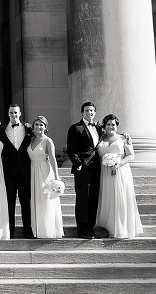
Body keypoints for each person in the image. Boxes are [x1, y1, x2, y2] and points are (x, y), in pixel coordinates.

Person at [96, 114, 143, 238]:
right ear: (104, 126)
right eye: (108, 124)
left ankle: (120, 227)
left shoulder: (124, 138)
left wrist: (118, 164)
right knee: (108, 197)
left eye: (113, 124)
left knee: (119, 197)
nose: (111, 126)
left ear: (117, 126)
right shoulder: (99, 138)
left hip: (120, 171)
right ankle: (106, 224)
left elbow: (130, 155)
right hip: (104, 172)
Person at [66, 101, 103, 239]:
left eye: (92, 111)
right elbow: (71, 149)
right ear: (82, 113)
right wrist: (78, 164)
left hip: (96, 169)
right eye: (87, 111)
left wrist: (125, 135)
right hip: (83, 170)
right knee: (83, 200)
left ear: (95, 112)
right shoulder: (75, 128)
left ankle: (91, 228)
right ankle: (82, 230)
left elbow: (111, 133)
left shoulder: (99, 128)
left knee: (93, 199)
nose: (90, 113)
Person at [0, 104, 35, 238]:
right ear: (8, 114)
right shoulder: (1, 130)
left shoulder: (28, 128)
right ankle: (10, 231)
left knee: (26, 202)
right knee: (9, 202)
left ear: (20, 113)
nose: (13, 115)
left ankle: (28, 230)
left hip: (25, 171)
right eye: (11, 113)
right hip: (9, 171)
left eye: (16, 113)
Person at [28, 116, 64, 239]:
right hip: (33, 171)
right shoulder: (31, 139)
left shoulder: (48, 140)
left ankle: (48, 230)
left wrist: (56, 176)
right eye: (37, 124)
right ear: (33, 127)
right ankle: (37, 229)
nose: (39, 127)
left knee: (45, 199)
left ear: (46, 127)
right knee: (36, 199)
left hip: (45, 171)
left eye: (41, 125)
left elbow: (53, 159)